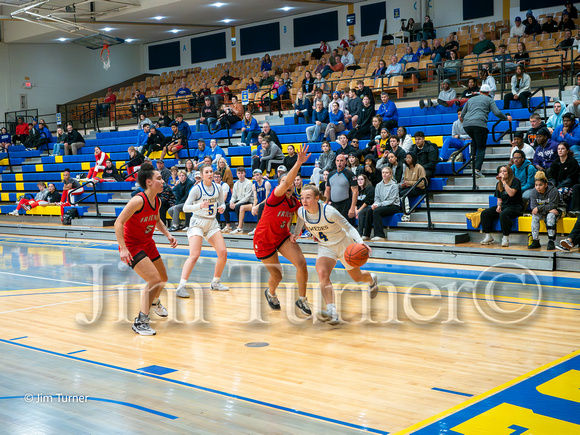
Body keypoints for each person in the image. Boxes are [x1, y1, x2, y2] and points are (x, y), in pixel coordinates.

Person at [294, 184, 378, 325]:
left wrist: (360, 242)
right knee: (322, 273)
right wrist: (296, 233)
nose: (304, 200)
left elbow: (349, 227)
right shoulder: (302, 211)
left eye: (308, 197)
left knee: (357, 277)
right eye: (302, 198)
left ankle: (371, 279)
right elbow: (302, 220)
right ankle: (332, 312)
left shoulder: (329, 212)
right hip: (326, 247)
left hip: (344, 244)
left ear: (316, 198)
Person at [114, 162, 177, 335]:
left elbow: (156, 220)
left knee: (163, 277)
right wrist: (123, 248)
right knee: (154, 279)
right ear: (149, 182)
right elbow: (118, 223)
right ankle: (140, 321)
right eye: (159, 178)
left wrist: (168, 235)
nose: (162, 181)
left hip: (147, 242)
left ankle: (154, 301)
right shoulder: (138, 200)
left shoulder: (156, 200)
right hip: (132, 245)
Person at [174, 165, 229, 298]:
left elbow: (222, 203)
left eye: (211, 171)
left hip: (212, 223)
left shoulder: (218, 187)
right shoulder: (196, 189)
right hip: (197, 223)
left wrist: (222, 207)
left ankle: (215, 282)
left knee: (223, 253)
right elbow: (185, 208)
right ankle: (181, 286)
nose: (210, 174)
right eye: (207, 172)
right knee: (194, 255)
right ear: (202, 174)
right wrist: (199, 206)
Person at [461, 84, 511, 178]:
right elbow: (497, 112)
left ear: (480, 91)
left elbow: (462, 114)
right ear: (488, 92)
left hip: (467, 125)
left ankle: (472, 156)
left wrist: (468, 121)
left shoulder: (471, 99)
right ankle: (476, 170)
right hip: (480, 125)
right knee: (481, 148)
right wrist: (506, 118)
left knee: (475, 141)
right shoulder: (489, 99)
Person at [480, 165, 523, 247]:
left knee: (503, 214)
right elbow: (499, 198)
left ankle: (505, 237)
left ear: (509, 172)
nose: (502, 173)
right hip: (504, 205)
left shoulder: (515, 181)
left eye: (504, 171)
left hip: (516, 206)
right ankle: (488, 236)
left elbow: (511, 193)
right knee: (485, 213)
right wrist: (499, 206)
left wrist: (504, 182)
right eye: (500, 171)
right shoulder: (498, 184)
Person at [363, 167, 401, 241]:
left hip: (393, 205)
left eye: (386, 173)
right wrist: (375, 204)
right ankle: (366, 234)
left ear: (390, 174)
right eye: (383, 172)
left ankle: (380, 235)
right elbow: (377, 198)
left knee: (376, 211)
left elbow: (391, 200)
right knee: (369, 210)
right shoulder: (378, 185)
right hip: (382, 205)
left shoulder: (394, 185)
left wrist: (378, 205)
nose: (384, 174)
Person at [528, 171, 561, 250]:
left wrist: (539, 208)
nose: (538, 187)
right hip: (544, 211)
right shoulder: (533, 192)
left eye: (540, 185)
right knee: (535, 216)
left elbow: (553, 205)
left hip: (558, 209)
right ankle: (535, 241)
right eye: (536, 185)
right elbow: (533, 207)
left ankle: (551, 241)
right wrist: (545, 208)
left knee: (550, 215)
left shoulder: (553, 190)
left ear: (545, 185)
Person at [325, 153, 358, 224]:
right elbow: (327, 191)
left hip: (346, 205)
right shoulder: (330, 174)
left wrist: (352, 208)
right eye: (337, 160)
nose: (339, 162)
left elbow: (355, 192)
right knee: (334, 227)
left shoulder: (350, 174)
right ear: (335, 162)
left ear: (345, 162)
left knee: (348, 228)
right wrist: (324, 204)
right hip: (334, 205)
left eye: (341, 160)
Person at [548, 142, 580, 207]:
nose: (560, 150)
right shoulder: (555, 162)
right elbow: (552, 178)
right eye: (558, 149)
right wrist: (552, 187)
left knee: (558, 192)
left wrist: (557, 187)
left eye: (562, 149)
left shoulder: (573, 162)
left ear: (567, 151)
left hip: (570, 187)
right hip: (557, 186)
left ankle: (561, 208)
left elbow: (570, 179)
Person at [229, 167, 253, 234]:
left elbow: (247, 198)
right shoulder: (236, 183)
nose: (240, 175)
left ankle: (239, 227)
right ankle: (227, 226)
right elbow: (234, 196)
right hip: (239, 201)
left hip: (248, 201)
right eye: (239, 173)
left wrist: (236, 204)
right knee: (226, 206)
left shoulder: (248, 183)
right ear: (236, 174)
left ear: (245, 173)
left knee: (237, 206)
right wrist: (231, 202)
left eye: (242, 173)